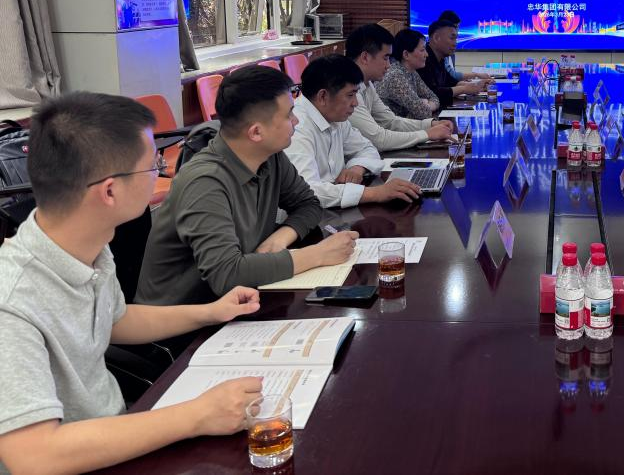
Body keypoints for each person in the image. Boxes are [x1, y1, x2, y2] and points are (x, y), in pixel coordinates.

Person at [0, 93, 263, 473]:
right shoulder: (11, 301)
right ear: (109, 191)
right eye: (152, 165)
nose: (161, 170)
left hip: (117, 432)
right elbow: (34, 456)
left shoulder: (87, 242)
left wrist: (211, 312)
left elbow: (115, 320)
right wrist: (198, 414)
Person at [137, 66, 358, 306]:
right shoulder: (204, 182)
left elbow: (308, 203)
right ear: (256, 132)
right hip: (189, 316)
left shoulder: (269, 156)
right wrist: (318, 255)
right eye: (289, 115)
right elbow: (226, 274)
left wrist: (281, 238)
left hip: (241, 300)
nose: (296, 121)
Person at [286, 54, 421, 207]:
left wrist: (357, 168)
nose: (355, 103)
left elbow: (367, 148)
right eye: (350, 95)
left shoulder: (334, 116)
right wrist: (375, 193)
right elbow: (306, 191)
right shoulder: (296, 128)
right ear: (323, 96)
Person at [346, 24, 454, 151]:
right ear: (365, 57)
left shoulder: (368, 84)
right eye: (385, 58)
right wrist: (427, 134)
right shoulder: (347, 90)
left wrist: (430, 124)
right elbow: (379, 139)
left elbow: (391, 122)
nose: (388, 65)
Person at [419, 19, 489, 108]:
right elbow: (432, 93)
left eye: (456, 39)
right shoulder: (423, 60)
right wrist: (464, 89)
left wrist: (477, 86)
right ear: (436, 38)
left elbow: (451, 82)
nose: (455, 43)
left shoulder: (440, 59)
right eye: (452, 38)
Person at [376, 29, 441, 120]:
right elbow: (423, 112)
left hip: (407, 125)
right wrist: (424, 104)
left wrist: (426, 105)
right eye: (422, 50)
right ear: (406, 54)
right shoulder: (395, 76)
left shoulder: (411, 72)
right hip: (393, 127)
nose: (426, 54)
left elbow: (434, 98)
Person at [436, 10, 491, 83]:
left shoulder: (450, 49)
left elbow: (450, 77)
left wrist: (460, 81)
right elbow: (450, 77)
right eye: (456, 27)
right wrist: (476, 75)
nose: (457, 30)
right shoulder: (439, 51)